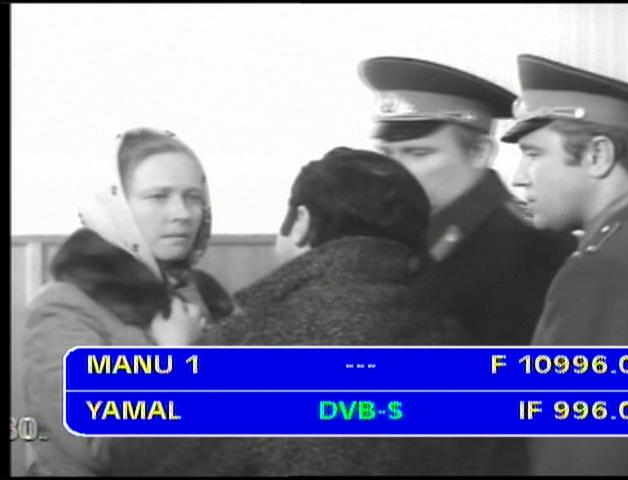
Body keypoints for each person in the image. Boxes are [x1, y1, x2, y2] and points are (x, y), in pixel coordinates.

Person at [108, 147, 488, 476]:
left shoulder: (253, 345)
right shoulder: (458, 344)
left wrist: (175, 362)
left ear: (302, 223)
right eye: (158, 197)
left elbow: (137, 459)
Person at [358, 56, 578, 475]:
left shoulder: (531, 249)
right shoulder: (400, 234)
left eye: (418, 153)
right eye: (385, 154)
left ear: (480, 152)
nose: (392, 172)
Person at [502, 54, 628, 475]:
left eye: (534, 154)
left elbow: (582, 457)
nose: (520, 177)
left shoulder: (604, 274)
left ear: (598, 154)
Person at [23, 127, 233, 476]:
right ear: (114, 208)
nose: (182, 213)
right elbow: (92, 447)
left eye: (193, 197)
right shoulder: (63, 307)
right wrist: (173, 361)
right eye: (158, 196)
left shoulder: (207, 295)